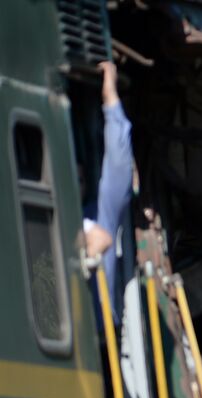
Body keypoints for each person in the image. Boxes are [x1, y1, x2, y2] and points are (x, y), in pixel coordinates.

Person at [82, 61, 133, 303]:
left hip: (100, 336)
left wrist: (110, 99)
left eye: (80, 177)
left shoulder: (96, 216)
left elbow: (119, 167)